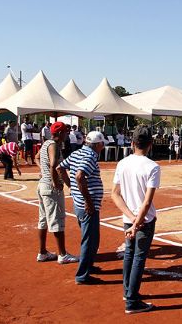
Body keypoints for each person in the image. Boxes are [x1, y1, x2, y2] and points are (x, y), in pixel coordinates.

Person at [111, 125, 160, 314]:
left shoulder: (122, 163)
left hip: (129, 217)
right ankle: (132, 300)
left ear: (132, 143)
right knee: (138, 257)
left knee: (130, 254)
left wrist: (131, 219)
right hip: (144, 221)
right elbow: (147, 202)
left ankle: (127, 292)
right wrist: (138, 223)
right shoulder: (152, 167)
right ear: (150, 144)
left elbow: (115, 194)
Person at [57, 131, 105, 285]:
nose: (102, 147)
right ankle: (82, 275)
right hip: (87, 205)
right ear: (97, 144)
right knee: (89, 240)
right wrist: (88, 201)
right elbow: (79, 176)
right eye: (102, 144)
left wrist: (71, 187)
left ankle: (88, 266)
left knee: (93, 238)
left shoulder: (78, 152)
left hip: (78, 203)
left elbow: (60, 168)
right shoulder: (90, 156)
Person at [34, 121, 79, 265]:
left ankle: (42, 252)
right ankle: (62, 254)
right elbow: (55, 165)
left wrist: (43, 171)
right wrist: (56, 181)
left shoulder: (46, 143)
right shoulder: (54, 145)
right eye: (65, 132)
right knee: (57, 220)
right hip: (50, 187)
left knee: (43, 220)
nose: (67, 134)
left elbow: (37, 158)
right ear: (59, 133)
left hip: (42, 186)